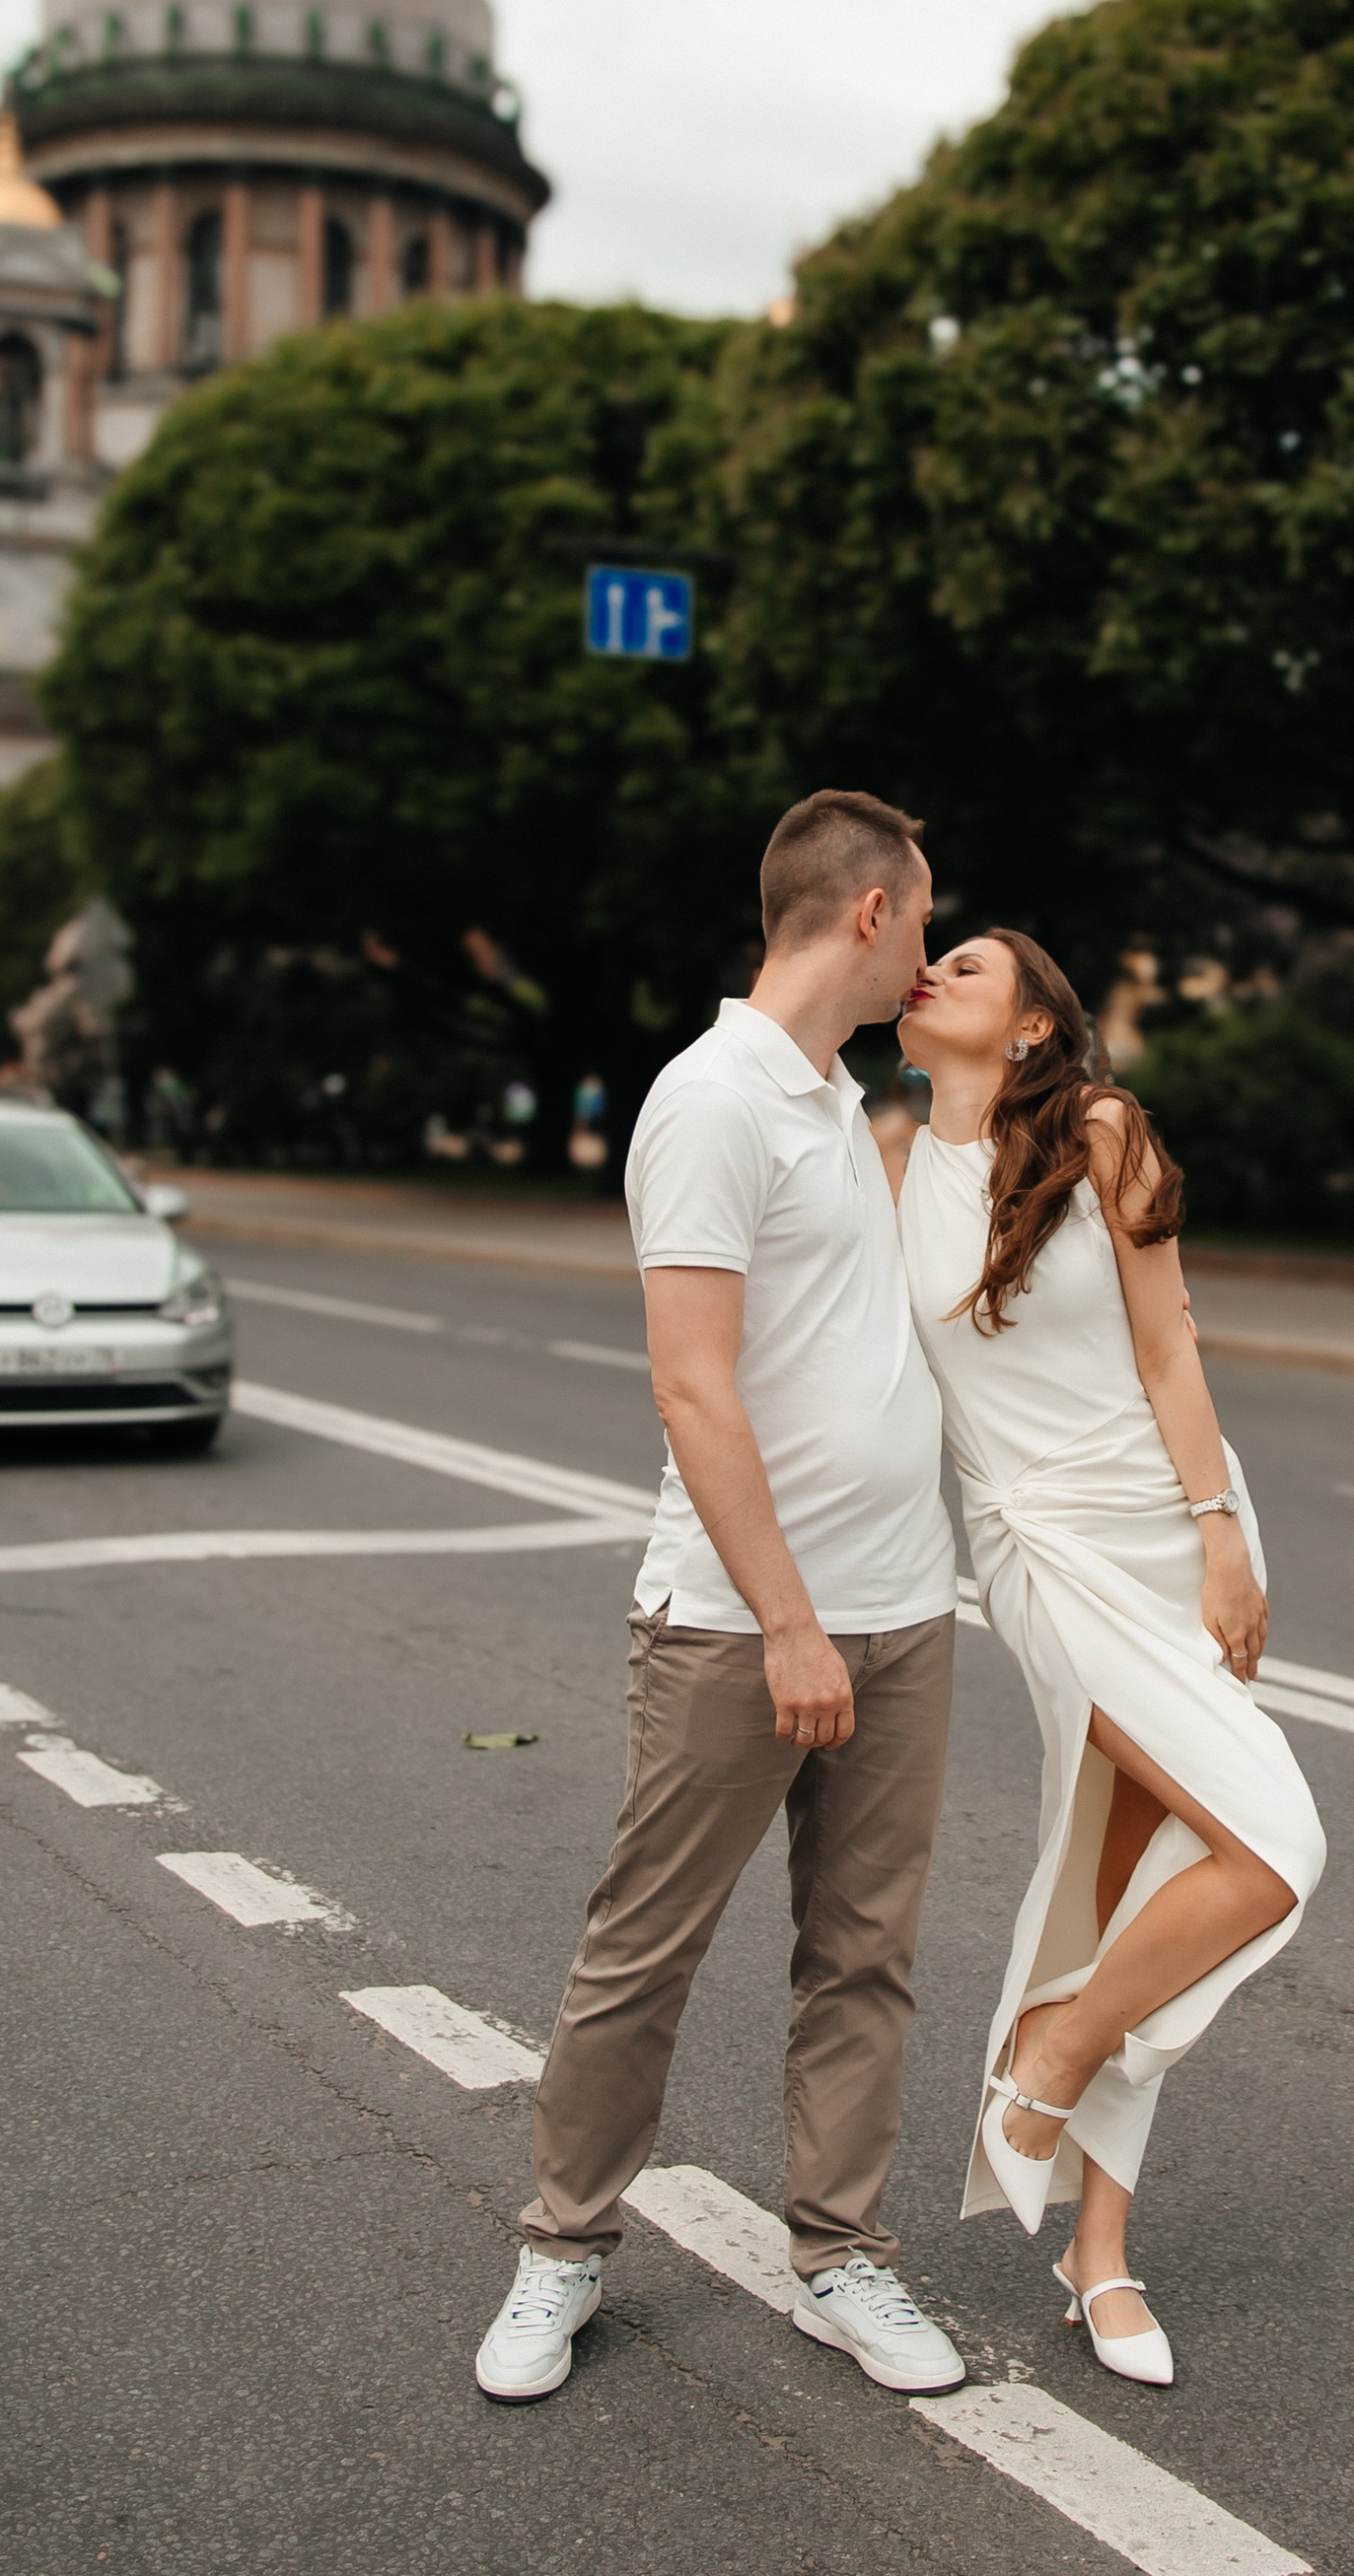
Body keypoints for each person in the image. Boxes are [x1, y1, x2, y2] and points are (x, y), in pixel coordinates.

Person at [476, 792, 967, 2405]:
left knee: (864, 1953)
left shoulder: (837, 1098)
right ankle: (562, 2251)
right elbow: (693, 1390)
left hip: (905, 1610)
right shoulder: (711, 1098)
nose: (933, 946)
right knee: (646, 1949)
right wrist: (789, 1621)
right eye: (925, 916)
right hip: (743, 1623)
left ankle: (840, 2254)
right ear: (869, 912)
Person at [890, 927, 1325, 2389]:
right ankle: (1050, 2052)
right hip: (1043, 1556)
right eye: (926, 958)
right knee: (1270, 1848)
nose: (931, 972)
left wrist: (1220, 1534)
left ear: (1028, 1026)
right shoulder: (888, 1160)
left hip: (1168, 1528)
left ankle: (1100, 2245)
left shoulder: (1099, 1127)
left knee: (1145, 1876)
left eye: (965, 963)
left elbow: (1169, 1345)